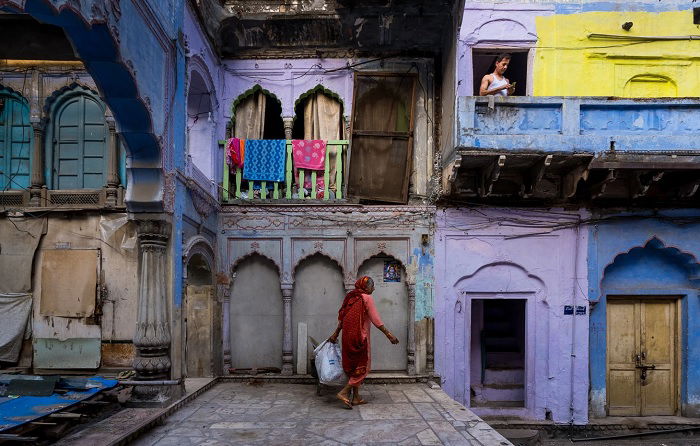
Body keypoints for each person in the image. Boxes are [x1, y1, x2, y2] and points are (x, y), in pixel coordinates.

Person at [328, 276, 399, 409]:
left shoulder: (350, 297)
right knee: (362, 366)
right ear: (366, 287)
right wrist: (389, 334)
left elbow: (342, 319)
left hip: (347, 337)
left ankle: (356, 398)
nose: (374, 288)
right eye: (372, 286)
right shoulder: (367, 298)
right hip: (360, 337)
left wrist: (336, 333)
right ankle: (344, 392)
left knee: (354, 366)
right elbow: (376, 319)